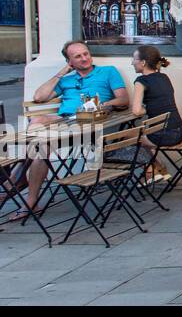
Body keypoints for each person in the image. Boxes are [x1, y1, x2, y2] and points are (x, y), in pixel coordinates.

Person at [7, 40, 128, 222]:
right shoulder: (66, 80)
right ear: (69, 61)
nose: (84, 58)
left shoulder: (108, 72)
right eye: (78, 56)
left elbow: (123, 100)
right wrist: (63, 72)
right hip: (64, 121)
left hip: (88, 125)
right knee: (37, 128)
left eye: (86, 53)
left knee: (39, 144)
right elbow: (39, 97)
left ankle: (20, 184)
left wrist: (102, 105)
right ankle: (26, 191)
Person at [126, 45, 182, 184]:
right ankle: (158, 169)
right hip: (179, 131)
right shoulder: (164, 77)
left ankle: (150, 171)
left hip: (163, 134)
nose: (131, 62)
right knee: (141, 137)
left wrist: (147, 109)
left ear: (143, 62)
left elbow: (136, 111)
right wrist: (153, 107)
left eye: (134, 59)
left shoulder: (141, 81)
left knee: (126, 137)